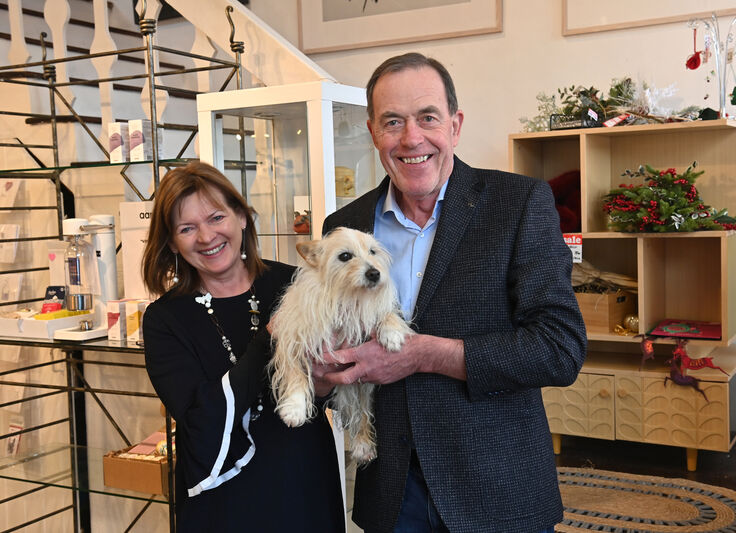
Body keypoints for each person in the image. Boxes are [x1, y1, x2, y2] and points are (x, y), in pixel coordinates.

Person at [318, 53, 587, 533]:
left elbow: (559, 348)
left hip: (498, 493)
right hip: (391, 497)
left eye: (428, 117)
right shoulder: (344, 229)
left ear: (455, 125)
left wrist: (423, 354)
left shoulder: (518, 203)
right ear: (373, 132)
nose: (411, 138)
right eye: (393, 122)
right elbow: (337, 347)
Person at [141, 161, 344, 533]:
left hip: (304, 484)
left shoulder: (295, 283)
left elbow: (334, 381)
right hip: (222, 502)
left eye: (216, 217)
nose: (207, 236)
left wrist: (326, 382)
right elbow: (201, 416)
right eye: (187, 228)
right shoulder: (165, 320)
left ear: (241, 217)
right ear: (171, 242)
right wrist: (272, 337)